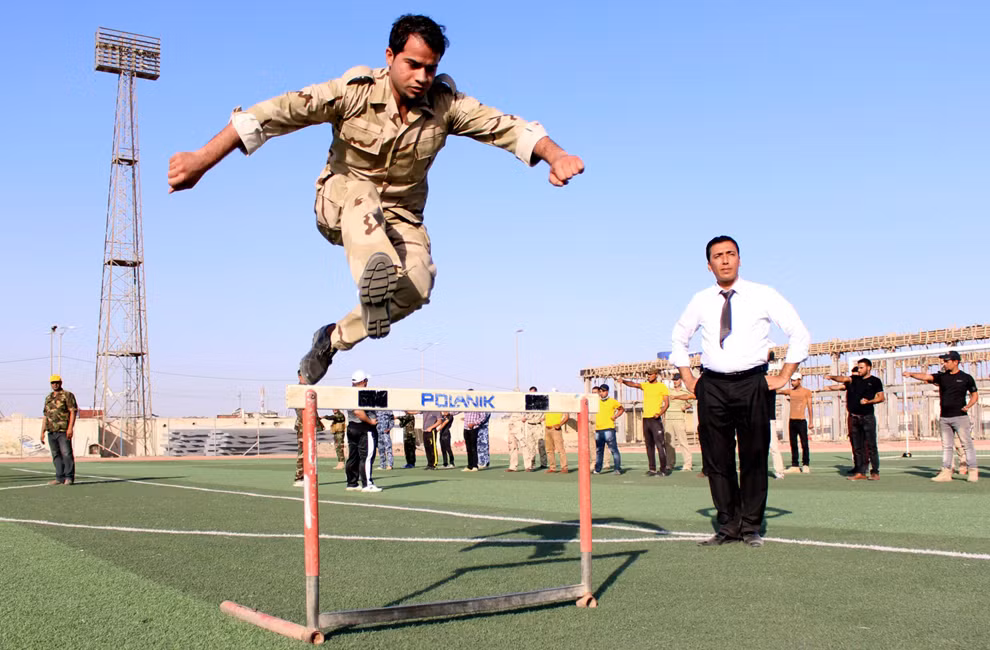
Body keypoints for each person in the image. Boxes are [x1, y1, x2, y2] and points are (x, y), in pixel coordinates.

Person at [167, 15, 585, 385]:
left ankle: (332, 339)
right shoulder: (352, 93)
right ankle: (372, 269)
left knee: (418, 286)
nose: (422, 77)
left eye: (431, 68)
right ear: (389, 56)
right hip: (340, 202)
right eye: (413, 65)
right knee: (362, 190)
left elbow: (507, 127)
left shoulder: (446, 106)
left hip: (401, 217)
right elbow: (275, 113)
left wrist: (556, 155)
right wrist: (202, 159)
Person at [671, 235, 810, 548]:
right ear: (709, 265)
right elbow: (678, 338)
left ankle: (750, 527)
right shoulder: (700, 300)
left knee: (754, 456)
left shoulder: (764, 294)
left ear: (739, 259)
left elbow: (799, 333)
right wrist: (689, 378)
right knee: (717, 460)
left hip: (752, 384)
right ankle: (727, 525)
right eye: (718, 256)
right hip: (713, 385)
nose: (724, 260)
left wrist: (785, 374)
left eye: (730, 254)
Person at [905, 351, 979, 483]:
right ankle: (946, 472)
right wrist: (911, 374)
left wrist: (968, 406)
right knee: (947, 446)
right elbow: (926, 377)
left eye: (947, 361)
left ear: (955, 362)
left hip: (960, 417)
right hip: (944, 418)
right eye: (943, 361)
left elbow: (974, 395)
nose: (944, 364)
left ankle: (972, 470)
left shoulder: (966, 378)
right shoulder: (942, 377)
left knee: (967, 445)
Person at [826, 359, 884, 481]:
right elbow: (843, 380)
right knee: (857, 447)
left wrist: (869, 401)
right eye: (858, 367)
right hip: (854, 417)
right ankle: (860, 471)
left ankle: (875, 472)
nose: (859, 369)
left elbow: (881, 398)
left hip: (868, 417)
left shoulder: (875, 381)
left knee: (871, 445)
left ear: (869, 368)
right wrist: (831, 377)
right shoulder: (854, 379)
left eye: (862, 367)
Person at [618, 370, 670, 476]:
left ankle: (663, 469)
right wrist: (623, 381)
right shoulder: (645, 385)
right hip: (646, 419)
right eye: (648, 375)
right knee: (649, 445)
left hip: (655, 419)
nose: (649, 376)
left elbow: (667, 404)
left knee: (660, 445)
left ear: (656, 375)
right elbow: (633, 384)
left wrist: (660, 413)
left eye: (651, 374)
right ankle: (652, 469)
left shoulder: (662, 387)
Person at [344, 370, 381, 492]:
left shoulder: (349, 393)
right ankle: (367, 484)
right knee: (367, 457)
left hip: (351, 427)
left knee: (353, 456)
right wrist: (371, 422)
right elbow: (358, 412)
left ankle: (352, 482)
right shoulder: (362, 393)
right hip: (364, 428)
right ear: (364, 381)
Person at [40, 375, 78, 486]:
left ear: (61, 383)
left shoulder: (67, 395)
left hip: (63, 430)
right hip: (51, 431)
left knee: (66, 453)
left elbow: (73, 411)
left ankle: (69, 477)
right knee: (56, 455)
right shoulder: (48, 398)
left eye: (57, 382)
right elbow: (46, 416)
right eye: (53, 383)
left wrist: (70, 427)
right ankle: (59, 477)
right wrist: (42, 431)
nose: (55, 384)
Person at [293, 371, 326, 486]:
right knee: (303, 451)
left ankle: (307, 476)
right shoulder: (298, 390)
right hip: (303, 426)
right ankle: (299, 477)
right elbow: (300, 412)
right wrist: (310, 422)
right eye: (303, 375)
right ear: (299, 376)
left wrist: (317, 423)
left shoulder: (307, 389)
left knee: (310, 451)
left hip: (309, 424)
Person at [778, 372, 814, 474]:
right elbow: (779, 391)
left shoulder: (806, 392)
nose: (792, 382)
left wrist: (811, 421)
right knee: (793, 444)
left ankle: (806, 464)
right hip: (792, 421)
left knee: (804, 444)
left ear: (799, 380)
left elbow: (810, 407)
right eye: (791, 381)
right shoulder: (790, 392)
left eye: (794, 380)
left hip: (801, 420)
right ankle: (795, 465)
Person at [666, 373, 696, 472]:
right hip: (668, 418)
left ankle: (688, 464)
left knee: (683, 442)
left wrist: (686, 406)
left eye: (677, 380)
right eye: (674, 380)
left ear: (681, 381)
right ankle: (670, 463)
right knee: (669, 443)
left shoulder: (685, 391)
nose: (675, 382)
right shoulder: (668, 391)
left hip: (679, 418)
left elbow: (692, 402)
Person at [594, 384, 625, 475]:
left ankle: (617, 468)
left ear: (607, 391)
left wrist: (615, 416)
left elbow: (621, 409)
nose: (602, 393)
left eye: (603, 391)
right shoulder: (596, 402)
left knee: (613, 449)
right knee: (599, 450)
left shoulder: (612, 401)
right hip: (598, 429)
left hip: (609, 429)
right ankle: (598, 469)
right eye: (600, 391)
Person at [524, 386, 549, 469]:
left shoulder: (541, 402)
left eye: (534, 392)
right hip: (530, 425)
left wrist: (544, 417)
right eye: (531, 393)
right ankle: (532, 463)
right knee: (530, 446)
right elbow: (523, 413)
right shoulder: (527, 402)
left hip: (538, 425)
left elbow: (547, 411)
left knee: (541, 444)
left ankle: (543, 463)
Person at [544, 397, 570, 474]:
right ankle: (552, 467)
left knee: (560, 449)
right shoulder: (547, 406)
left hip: (555, 429)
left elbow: (567, 417)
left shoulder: (561, 406)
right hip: (547, 429)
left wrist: (560, 424)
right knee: (549, 449)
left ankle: (564, 468)